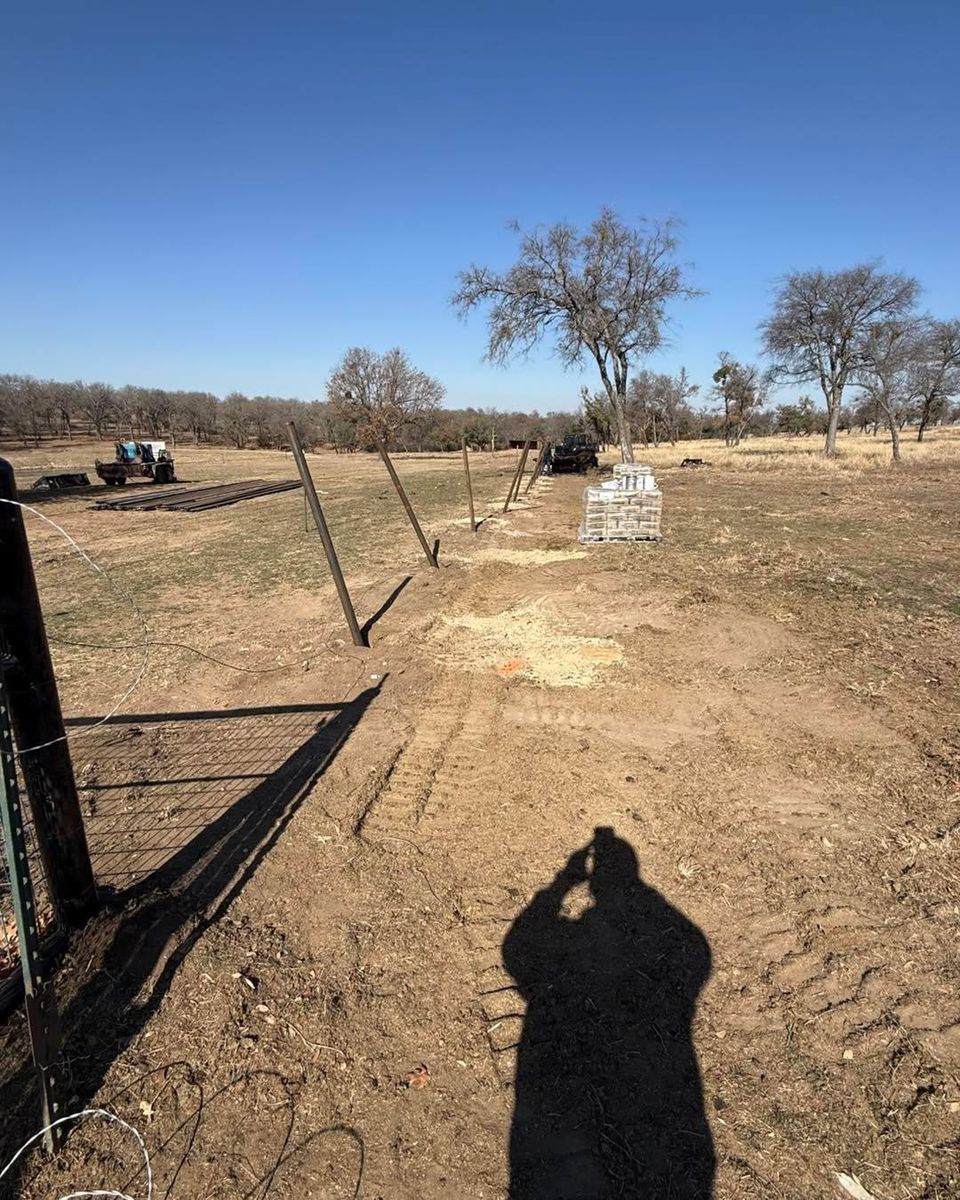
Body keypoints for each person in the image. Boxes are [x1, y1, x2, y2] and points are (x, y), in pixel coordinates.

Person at [503, 827, 715, 1199]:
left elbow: (517, 953)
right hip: (663, 1103)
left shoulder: (681, 938)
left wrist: (559, 886)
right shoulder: (684, 936)